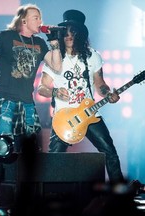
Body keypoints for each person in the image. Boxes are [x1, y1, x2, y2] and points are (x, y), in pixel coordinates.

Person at [37, 9, 124, 183]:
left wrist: (109, 94)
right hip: (64, 116)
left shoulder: (93, 56)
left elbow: (100, 85)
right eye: (66, 31)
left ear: (81, 34)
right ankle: (49, 198)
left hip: (90, 114)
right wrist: (54, 92)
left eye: (73, 32)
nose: (69, 35)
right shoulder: (55, 58)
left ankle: (120, 193)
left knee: (110, 151)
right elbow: (41, 88)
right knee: (55, 158)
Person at [0, 4, 62, 152]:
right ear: (23, 21)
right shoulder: (6, 36)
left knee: (31, 144)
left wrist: (54, 43)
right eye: (36, 18)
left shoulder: (39, 43)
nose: (40, 21)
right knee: (3, 143)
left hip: (27, 100)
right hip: (6, 98)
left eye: (40, 17)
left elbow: (57, 67)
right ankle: (1, 173)